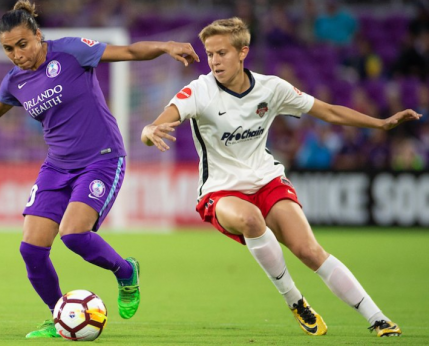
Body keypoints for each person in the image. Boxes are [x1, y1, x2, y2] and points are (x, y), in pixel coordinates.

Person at [0, 0, 199, 339]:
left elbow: (130, 52)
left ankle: (125, 271)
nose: (17, 54)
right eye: (8, 49)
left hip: (101, 158)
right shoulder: (15, 81)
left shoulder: (72, 52)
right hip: (57, 166)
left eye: (22, 44)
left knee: (74, 235)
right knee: (31, 249)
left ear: (38, 35)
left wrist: (164, 47)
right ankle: (59, 315)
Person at [141, 17, 421, 337]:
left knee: (309, 251)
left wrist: (380, 123)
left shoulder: (272, 88)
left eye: (222, 53)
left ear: (243, 52)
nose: (214, 61)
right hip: (221, 191)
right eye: (210, 54)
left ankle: (379, 319)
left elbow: (327, 111)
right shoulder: (198, 91)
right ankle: (295, 300)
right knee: (250, 220)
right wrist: (149, 131)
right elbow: (155, 127)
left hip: (267, 181)